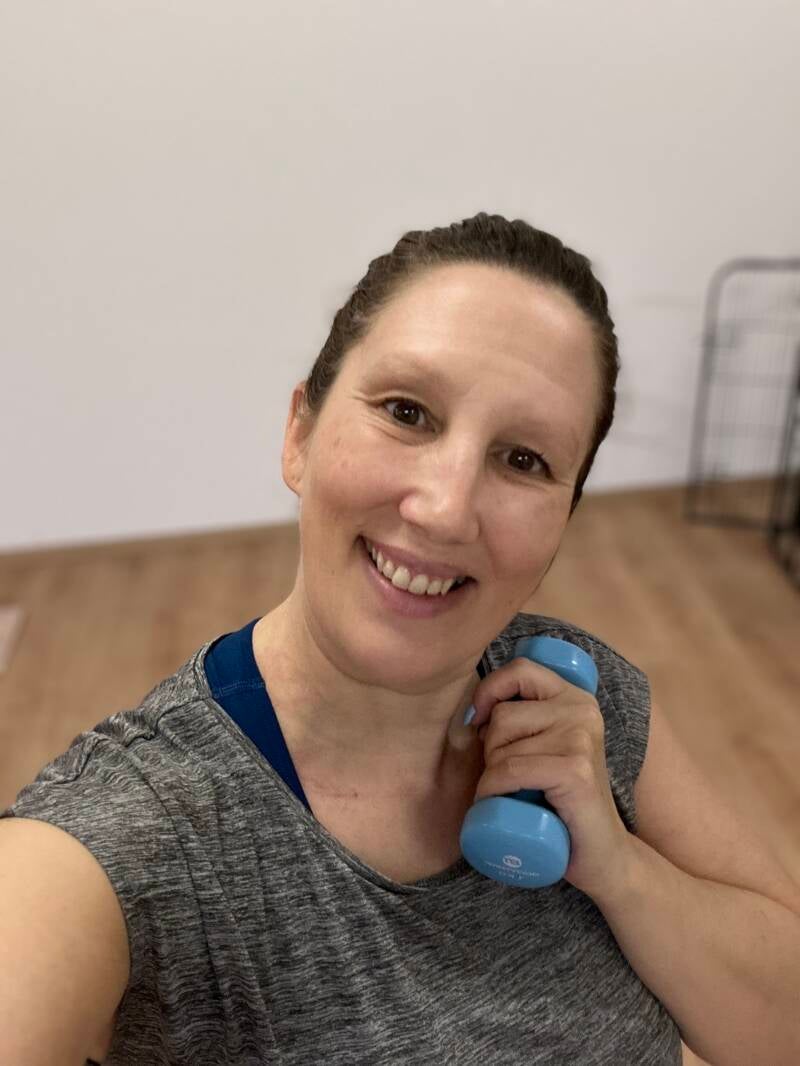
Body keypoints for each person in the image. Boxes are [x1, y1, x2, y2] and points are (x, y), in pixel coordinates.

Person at [2, 213, 799, 1066]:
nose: (447, 509)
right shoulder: (131, 838)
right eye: (407, 412)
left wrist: (619, 867)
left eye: (524, 460)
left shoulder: (585, 705)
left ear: (563, 523)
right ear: (300, 434)